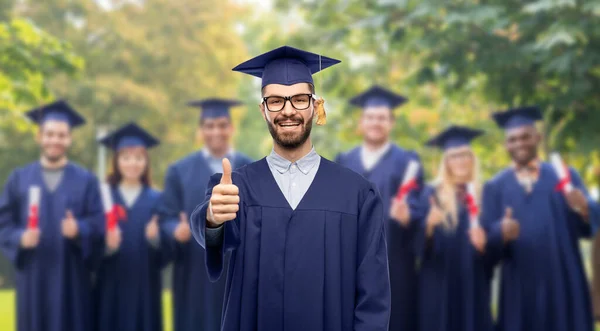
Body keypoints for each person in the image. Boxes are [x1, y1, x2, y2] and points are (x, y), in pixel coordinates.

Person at [190, 45, 391, 331]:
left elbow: (374, 295)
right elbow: (213, 233)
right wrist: (212, 218)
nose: (287, 110)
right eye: (275, 101)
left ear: (315, 105)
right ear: (263, 110)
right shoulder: (235, 188)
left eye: (299, 99)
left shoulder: (358, 195)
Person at [482, 106, 600, 331]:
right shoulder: (494, 187)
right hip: (519, 285)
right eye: (512, 139)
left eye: (526, 137)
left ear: (538, 137)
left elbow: (589, 227)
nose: (519, 143)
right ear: (506, 144)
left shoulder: (564, 175)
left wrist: (585, 207)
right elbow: (488, 249)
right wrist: (500, 232)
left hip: (563, 279)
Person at [0, 100, 104, 331]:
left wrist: (79, 230)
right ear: (39, 137)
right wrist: (19, 238)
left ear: (69, 138)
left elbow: (99, 225)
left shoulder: (86, 181)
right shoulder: (19, 179)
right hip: (33, 282)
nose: (55, 140)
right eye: (49, 134)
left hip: (72, 283)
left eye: (61, 135)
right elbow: (3, 224)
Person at [158, 98, 253, 331]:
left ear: (231, 128)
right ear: (200, 130)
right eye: (209, 126)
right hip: (193, 274)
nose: (216, 132)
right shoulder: (179, 171)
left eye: (222, 125)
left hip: (238, 274)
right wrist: (174, 230)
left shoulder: (251, 169)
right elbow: (166, 217)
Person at [335, 85, 423, 331]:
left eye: (382, 118)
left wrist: (409, 216)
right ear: (361, 122)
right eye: (371, 117)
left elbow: (418, 208)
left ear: (391, 123)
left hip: (395, 266)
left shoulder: (408, 162)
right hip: (351, 265)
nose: (376, 122)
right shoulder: (344, 161)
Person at [94, 122, 172, 331]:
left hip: (144, 288)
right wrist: (107, 246)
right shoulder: (103, 198)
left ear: (146, 162)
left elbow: (167, 253)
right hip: (110, 287)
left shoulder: (158, 199)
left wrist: (156, 239)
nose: (132, 163)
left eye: (139, 158)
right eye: (126, 157)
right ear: (116, 161)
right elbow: (89, 248)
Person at [414, 125, 493, 331]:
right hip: (439, 282)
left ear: (472, 159)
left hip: (473, 282)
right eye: (454, 156)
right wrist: (428, 226)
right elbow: (416, 246)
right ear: (446, 162)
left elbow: (495, 248)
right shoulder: (431, 193)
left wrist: (486, 244)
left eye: (464, 155)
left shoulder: (484, 195)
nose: (460, 161)